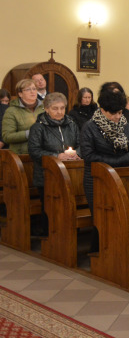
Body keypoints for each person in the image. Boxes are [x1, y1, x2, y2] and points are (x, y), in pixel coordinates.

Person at [79, 88, 129, 252]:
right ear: (102, 110)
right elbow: (88, 155)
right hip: (96, 179)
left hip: (121, 176)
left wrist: (118, 163)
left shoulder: (124, 124)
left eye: (120, 112)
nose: (118, 116)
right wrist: (117, 162)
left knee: (117, 216)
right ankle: (98, 253)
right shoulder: (90, 127)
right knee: (100, 219)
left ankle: (114, 252)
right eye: (113, 113)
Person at [28, 92, 81, 236]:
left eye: (62, 108)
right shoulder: (38, 127)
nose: (59, 112)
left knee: (69, 206)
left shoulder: (71, 124)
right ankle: (50, 237)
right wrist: (57, 156)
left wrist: (77, 154)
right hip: (46, 176)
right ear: (46, 109)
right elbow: (34, 151)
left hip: (70, 174)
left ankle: (70, 235)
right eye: (55, 108)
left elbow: (81, 144)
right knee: (50, 209)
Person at [2, 79, 44, 154]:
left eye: (34, 89)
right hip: (22, 154)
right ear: (20, 94)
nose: (32, 92)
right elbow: (7, 137)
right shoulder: (11, 111)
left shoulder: (45, 107)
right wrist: (29, 133)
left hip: (44, 152)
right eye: (28, 89)